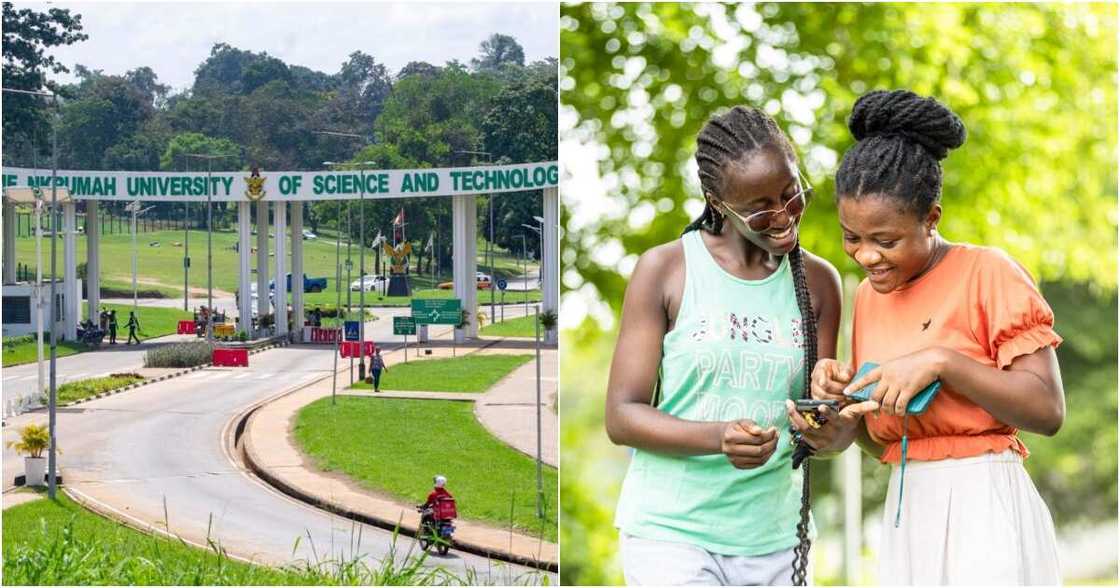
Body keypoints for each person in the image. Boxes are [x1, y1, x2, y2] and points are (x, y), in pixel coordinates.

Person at [792, 90, 1064, 585]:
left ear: (931, 218)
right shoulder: (871, 298)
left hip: (983, 509)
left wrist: (943, 361)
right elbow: (885, 439)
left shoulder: (988, 272)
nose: (867, 256)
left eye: (886, 240)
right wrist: (840, 422)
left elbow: (1048, 411)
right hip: (907, 510)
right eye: (852, 237)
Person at [605, 106, 843, 586]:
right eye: (759, 208)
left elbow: (831, 434)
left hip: (777, 540)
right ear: (717, 201)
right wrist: (717, 437)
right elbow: (621, 416)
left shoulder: (820, 283)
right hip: (672, 534)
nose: (782, 216)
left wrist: (829, 424)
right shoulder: (666, 269)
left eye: (791, 194)